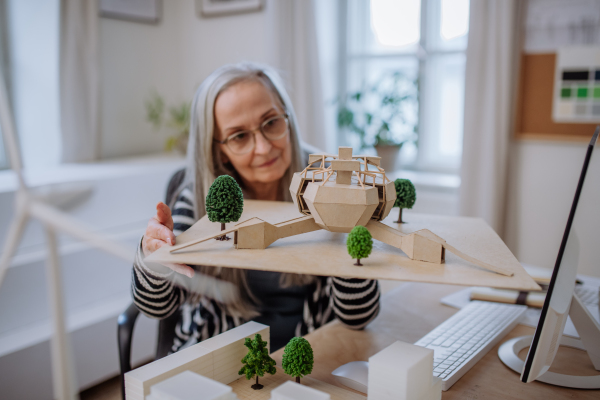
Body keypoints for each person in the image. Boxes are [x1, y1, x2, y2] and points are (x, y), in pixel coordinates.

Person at [132, 62, 380, 355]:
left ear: (287, 118)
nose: (263, 148)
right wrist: (153, 255)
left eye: (271, 122)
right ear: (218, 148)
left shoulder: (329, 184)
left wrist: (351, 243)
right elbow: (155, 308)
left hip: (313, 352)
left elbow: (359, 316)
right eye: (239, 136)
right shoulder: (198, 198)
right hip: (220, 354)